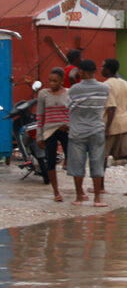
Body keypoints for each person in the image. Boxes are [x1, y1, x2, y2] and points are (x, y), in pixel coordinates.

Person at [66, 59, 110, 207]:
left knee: (77, 165)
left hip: (77, 132)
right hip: (97, 130)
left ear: (81, 72)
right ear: (95, 71)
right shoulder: (104, 88)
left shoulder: (73, 90)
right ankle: (97, 199)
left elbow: (68, 106)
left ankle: (79, 197)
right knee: (97, 163)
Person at [102, 59, 127, 197]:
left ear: (108, 69)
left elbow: (111, 107)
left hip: (112, 123)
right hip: (125, 121)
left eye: (103, 66)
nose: (101, 69)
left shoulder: (106, 85)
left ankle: (100, 186)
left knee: (103, 156)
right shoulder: (124, 83)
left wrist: (106, 129)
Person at [36, 67, 69, 201]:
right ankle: (56, 192)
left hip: (65, 130)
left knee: (72, 159)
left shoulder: (69, 93)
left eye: (55, 81)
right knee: (50, 161)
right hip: (49, 131)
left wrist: (69, 126)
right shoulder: (43, 94)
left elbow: (72, 112)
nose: (51, 84)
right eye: (49, 81)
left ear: (61, 81)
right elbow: (40, 115)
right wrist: (39, 135)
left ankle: (80, 190)